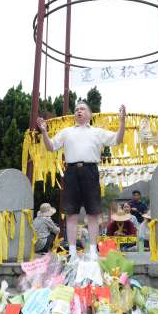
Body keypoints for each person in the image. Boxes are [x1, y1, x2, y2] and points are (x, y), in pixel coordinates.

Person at [38, 102, 126, 259]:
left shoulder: (97, 132)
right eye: (76, 109)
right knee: (71, 214)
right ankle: (72, 252)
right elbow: (51, 147)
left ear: (90, 115)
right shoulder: (66, 132)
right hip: (71, 172)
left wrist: (122, 122)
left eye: (82, 109)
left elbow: (117, 140)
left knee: (93, 213)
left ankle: (93, 251)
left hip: (90, 171)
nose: (78, 111)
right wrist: (44, 132)